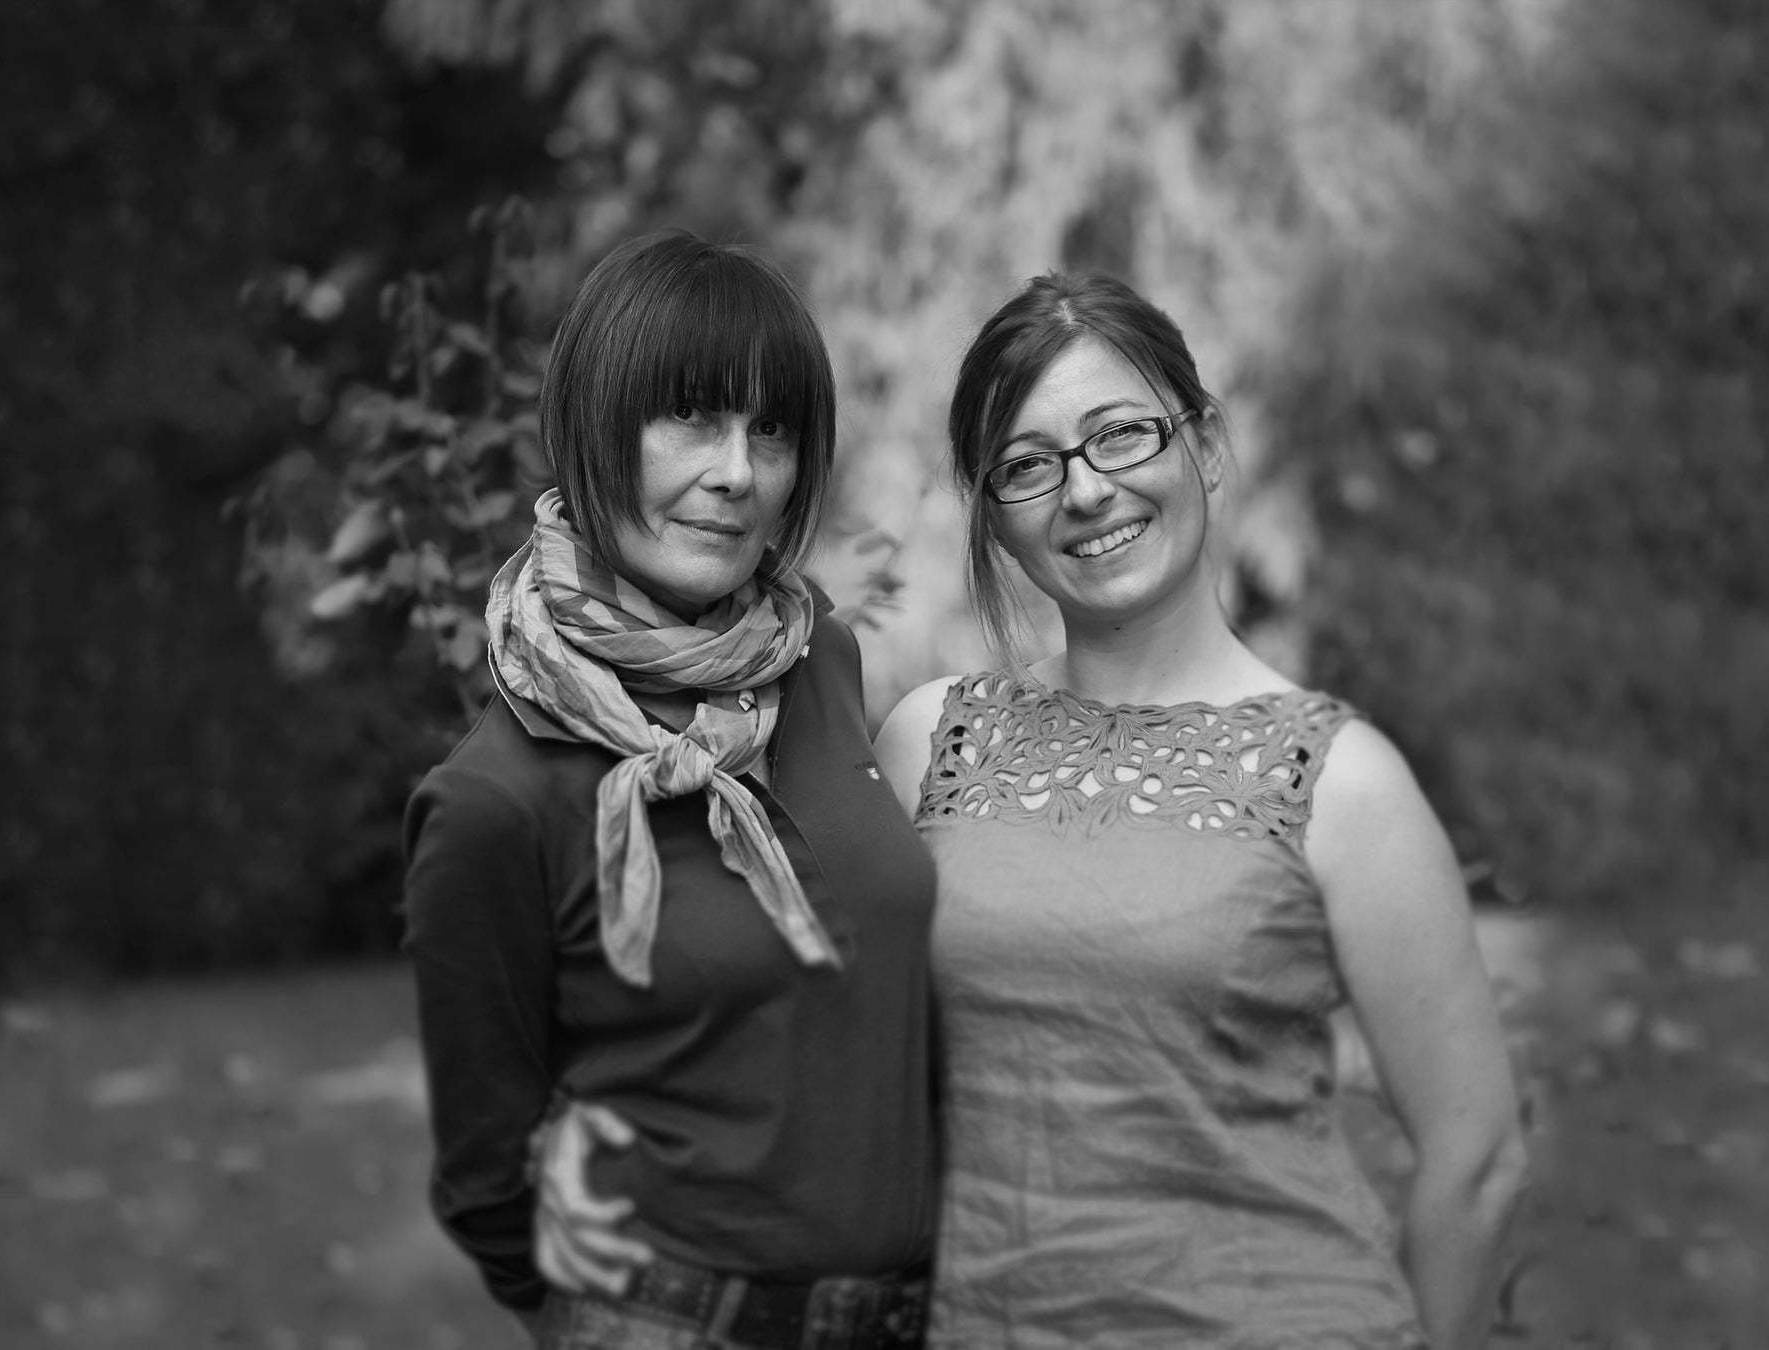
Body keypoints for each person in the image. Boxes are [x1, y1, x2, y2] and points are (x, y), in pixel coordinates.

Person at [537, 271, 1531, 1349]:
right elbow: (780, 1018)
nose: (1087, 490)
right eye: (1027, 465)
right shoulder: (928, 743)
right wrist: (592, 1125)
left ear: (1203, 445)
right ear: (995, 521)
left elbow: (1476, 1161)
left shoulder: (1343, 783)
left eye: (1122, 435)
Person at [400, 229, 939, 1350]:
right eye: (690, 417)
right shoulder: (496, 800)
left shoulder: (817, 663)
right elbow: (485, 1177)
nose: (738, 471)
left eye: (772, 429)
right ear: (592, 426)